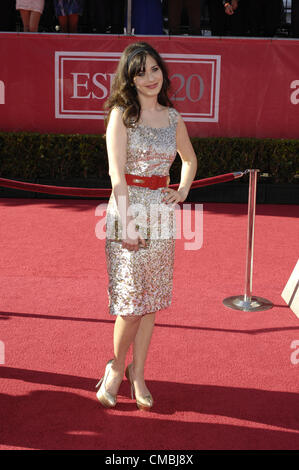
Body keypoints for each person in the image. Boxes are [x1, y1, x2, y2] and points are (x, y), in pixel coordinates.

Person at [95, 42, 197, 411]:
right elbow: (115, 173)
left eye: (154, 69)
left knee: (149, 299)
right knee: (130, 302)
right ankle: (115, 366)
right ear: (130, 78)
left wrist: (182, 190)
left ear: (163, 72)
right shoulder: (122, 115)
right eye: (141, 72)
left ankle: (138, 372)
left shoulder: (173, 118)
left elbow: (189, 159)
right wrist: (126, 224)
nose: (150, 78)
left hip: (162, 216)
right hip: (128, 213)